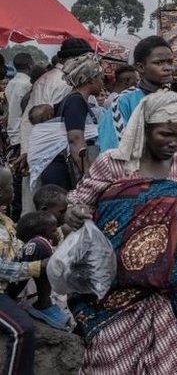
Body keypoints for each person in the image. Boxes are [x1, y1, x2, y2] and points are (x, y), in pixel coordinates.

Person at [65, 90, 177, 374]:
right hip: (111, 290)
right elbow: (78, 205)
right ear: (145, 127)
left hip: (161, 292)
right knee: (109, 361)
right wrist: (75, 213)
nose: (174, 142)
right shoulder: (113, 163)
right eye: (165, 134)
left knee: (161, 363)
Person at [97, 36, 175, 152]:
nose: (167, 68)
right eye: (158, 63)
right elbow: (112, 151)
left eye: (170, 62)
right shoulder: (123, 102)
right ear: (140, 67)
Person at [38, 53, 103, 189]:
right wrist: (90, 177)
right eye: (99, 78)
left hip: (58, 169)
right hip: (63, 172)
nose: (101, 82)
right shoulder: (76, 101)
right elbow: (75, 139)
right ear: (90, 80)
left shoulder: (72, 99)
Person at [0, 166, 40, 375]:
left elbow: (16, 250)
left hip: (6, 287)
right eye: (10, 186)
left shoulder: (5, 221)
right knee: (22, 330)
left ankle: (44, 305)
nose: (13, 190)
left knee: (39, 246)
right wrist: (33, 268)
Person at [6, 53, 32, 220]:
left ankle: (13, 214)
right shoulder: (28, 85)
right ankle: (17, 216)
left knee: (14, 180)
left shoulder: (10, 84)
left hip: (12, 134)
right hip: (22, 137)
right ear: (30, 65)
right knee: (21, 180)